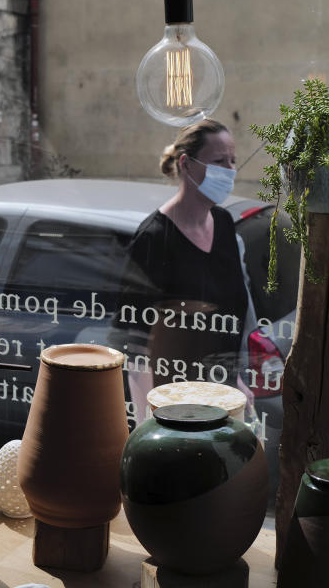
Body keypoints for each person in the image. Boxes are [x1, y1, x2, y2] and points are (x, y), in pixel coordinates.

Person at [110, 119, 257, 424]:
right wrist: (147, 424)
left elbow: (229, 323)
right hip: (174, 410)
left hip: (224, 401)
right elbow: (135, 346)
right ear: (186, 165)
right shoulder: (153, 238)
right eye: (219, 161)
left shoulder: (226, 226)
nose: (229, 170)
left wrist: (238, 382)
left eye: (232, 161)